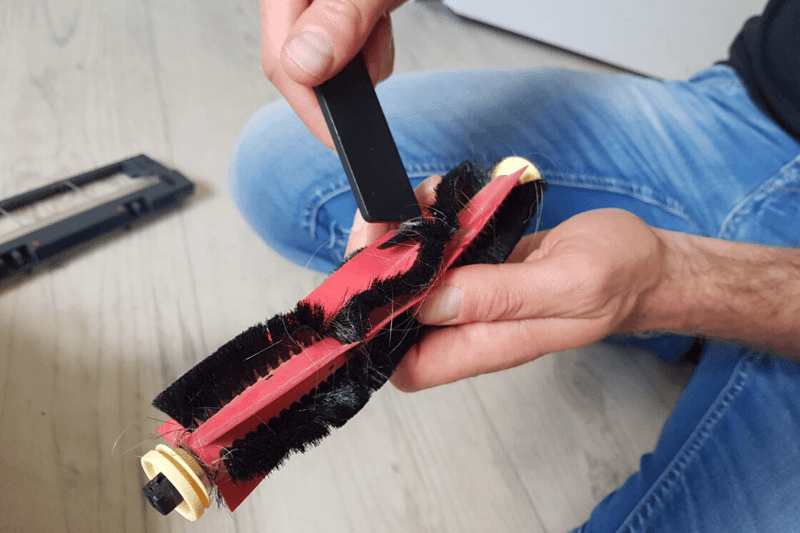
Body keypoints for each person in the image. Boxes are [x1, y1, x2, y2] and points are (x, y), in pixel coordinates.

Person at [228, 0, 800, 530]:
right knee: (276, 165)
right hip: (752, 113)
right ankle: (695, 333)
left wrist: (678, 280)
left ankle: (696, 324)